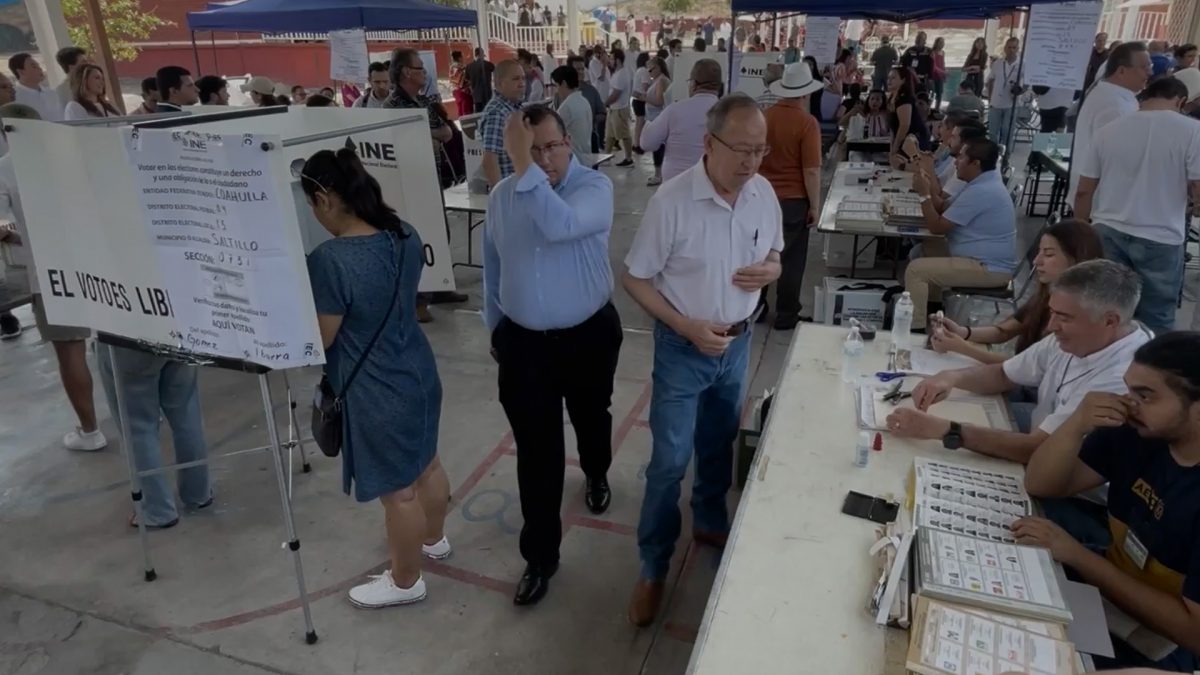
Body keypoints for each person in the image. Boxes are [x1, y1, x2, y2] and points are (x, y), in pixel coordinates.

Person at [624, 94, 783, 627]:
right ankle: (653, 566)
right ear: (710, 144)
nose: (752, 162)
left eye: (760, 150)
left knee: (718, 441)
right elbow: (635, 279)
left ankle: (710, 517)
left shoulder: (762, 193)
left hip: (737, 344)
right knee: (669, 461)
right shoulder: (672, 202)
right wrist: (686, 326)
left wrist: (773, 270)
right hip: (683, 349)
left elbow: (775, 252)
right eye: (742, 149)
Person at [482, 105, 621, 607]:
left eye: (551, 147)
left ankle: (597, 469)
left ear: (569, 143)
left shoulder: (594, 188)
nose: (543, 160)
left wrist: (522, 166)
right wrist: (496, 328)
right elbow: (492, 264)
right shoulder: (501, 197)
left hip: (588, 335)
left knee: (591, 415)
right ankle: (540, 557)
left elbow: (561, 225)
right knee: (537, 453)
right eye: (532, 149)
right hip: (525, 345)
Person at [302, 148, 451, 609]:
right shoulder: (404, 234)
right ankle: (434, 539)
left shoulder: (330, 260)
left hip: (377, 391)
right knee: (427, 465)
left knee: (399, 495)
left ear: (325, 199)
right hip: (419, 371)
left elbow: (324, 337)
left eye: (311, 204)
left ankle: (406, 581)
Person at [1020, 332, 1200, 672]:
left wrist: (1079, 556)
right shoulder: (1138, 431)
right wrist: (1076, 424)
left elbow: (1193, 633)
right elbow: (1040, 483)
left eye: (1145, 396)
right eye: (1128, 389)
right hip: (1106, 584)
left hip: (1161, 641)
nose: (1128, 403)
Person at [888, 260, 1150, 461]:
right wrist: (950, 377)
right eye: (1053, 313)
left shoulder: (1123, 378)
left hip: (1067, 486)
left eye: (1064, 318)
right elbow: (1005, 374)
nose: (1051, 326)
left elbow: (1036, 449)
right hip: (1038, 436)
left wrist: (947, 431)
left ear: (1110, 321)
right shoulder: (1080, 336)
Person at [0, 103, 106, 449]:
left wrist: (20, 239)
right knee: (116, 342)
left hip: (51, 272)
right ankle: (139, 415)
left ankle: (90, 431)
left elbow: (2, 225)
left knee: (70, 351)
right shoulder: (72, 160)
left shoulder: (5, 169)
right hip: (100, 262)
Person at [1075, 76, 1200, 336]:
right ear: (1181, 101)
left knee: (1106, 307)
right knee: (1157, 315)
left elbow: (1084, 190)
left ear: (1146, 97)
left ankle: (1103, 357)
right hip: (1161, 236)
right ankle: (1150, 360)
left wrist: (1080, 229)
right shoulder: (1193, 131)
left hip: (1107, 229)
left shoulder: (1108, 130)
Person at [930, 220, 1105, 365]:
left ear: (1077, 260)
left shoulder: (1080, 318)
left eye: (1049, 254)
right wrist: (962, 332)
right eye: (1039, 252)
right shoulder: (1045, 296)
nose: (1036, 261)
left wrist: (963, 348)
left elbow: (1023, 369)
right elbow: (1003, 332)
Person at [906, 137, 1017, 330]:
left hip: (989, 268)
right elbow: (942, 206)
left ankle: (915, 330)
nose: (955, 162)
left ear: (976, 163)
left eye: (961, 157)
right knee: (928, 246)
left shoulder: (982, 190)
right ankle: (933, 309)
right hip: (980, 258)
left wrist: (924, 195)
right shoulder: (982, 181)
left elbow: (937, 227)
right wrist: (927, 184)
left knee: (916, 270)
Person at [386, 48, 464, 321]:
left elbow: (447, 132)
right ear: (406, 72)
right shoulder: (393, 106)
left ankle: (440, 285)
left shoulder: (425, 102)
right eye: (420, 68)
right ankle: (418, 297)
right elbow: (402, 139)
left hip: (434, 177)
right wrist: (428, 135)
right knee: (416, 239)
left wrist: (427, 134)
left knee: (440, 232)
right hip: (410, 181)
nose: (425, 73)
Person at [758, 62, 823, 330]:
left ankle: (756, 308)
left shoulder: (764, 117)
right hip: (794, 201)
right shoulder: (807, 123)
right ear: (805, 93)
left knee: (760, 254)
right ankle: (786, 315)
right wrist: (815, 206)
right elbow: (811, 170)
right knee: (791, 260)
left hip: (762, 197)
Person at [1068, 41, 1150, 206]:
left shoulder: (1113, 95)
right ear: (1121, 71)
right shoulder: (1114, 106)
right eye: (1144, 67)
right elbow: (1115, 158)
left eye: (1150, 66)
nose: (1150, 72)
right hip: (1102, 201)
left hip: (1101, 198)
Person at [639, 58, 721, 182]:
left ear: (693, 84)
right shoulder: (729, 114)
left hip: (675, 184)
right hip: (712, 184)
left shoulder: (674, 110)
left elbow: (647, 143)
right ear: (719, 86)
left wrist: (649, 123)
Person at [480, 59, 527, 187]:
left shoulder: (514, 108)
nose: (522, 83)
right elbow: (489, 160)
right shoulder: (497, 113)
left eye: (523, 78)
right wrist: (501, 195)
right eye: (515, 79)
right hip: (511, 190)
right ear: (500, 83)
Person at [986, 37, 1025, 149]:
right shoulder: (998, 63)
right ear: (1005, 48)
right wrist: (990, 99)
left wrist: (1020, 90)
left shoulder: (1022, 64)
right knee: (993, 132)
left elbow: (1027, 84)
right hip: (995, 103)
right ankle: (992, 155)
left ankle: (1006, 156)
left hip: (1011, 104)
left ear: (1018, 49)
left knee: (1007, 132)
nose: (1011, 50)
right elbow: (990, 81)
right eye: (1009, 47)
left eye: (1014, 47)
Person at [888, 65, 930, 161]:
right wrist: (892, 147)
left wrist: (895, 147)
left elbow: (904, 125)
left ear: (903, 80)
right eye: (888, 78)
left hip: (914, 140)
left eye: (893, 78)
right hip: (902, 140)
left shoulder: (904, 99)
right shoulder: (891, 99)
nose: (889, 81)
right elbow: (893, 127)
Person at [551, 65, 592, 157]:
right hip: (586, 154)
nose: (556, 91)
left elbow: (552, 132)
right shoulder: (584, 101)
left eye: (556, 85)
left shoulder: (566, 107)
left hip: (573, 157)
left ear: (564, 83)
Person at [568, 55, 607, 151]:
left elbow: (602, 113)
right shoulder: (562, 92)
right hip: (569, 140)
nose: (581, 72)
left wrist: (589, 119)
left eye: (582, 69)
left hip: (589, 137)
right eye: (577, 69)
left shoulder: (591, 91)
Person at [642, 57, 671, 186]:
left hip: (657, 117)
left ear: (658, 68)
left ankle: (658, 174)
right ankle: (659, 173)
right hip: (655, 117)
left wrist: (644, 98)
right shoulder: (659, 80)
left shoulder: (661, 81)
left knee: (658, 147)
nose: (650, 73)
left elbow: (659, 101)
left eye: (651, 70)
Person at [604, 48, 635, 167]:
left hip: (619, 109)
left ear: (617, 60)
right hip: (613, 108)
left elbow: (615, 94)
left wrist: (605, 103)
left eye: (612, 59)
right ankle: (606, 157)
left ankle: (629, 158)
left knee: (624, 134)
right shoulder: (617, 73)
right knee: (610, 135)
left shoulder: (622, 74)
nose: (610, 61)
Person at [9, 53, 61, 121]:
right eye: (34, 66)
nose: (40, 69)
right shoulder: (13, 97)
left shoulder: (51, 93)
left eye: (38, 65)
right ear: (21, 72)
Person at [53, 46, 89, 111]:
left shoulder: (91, 83)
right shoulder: (61, 91)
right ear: (71, 67)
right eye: (84, 62)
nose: (88, 64)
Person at [465, 48, 495, 113]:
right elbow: (496, 72)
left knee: (478, 114)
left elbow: (467, 80)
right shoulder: (488, 64)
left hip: (476, 95)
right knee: (489, 112)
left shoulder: (469, 66)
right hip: (487, 93)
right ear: (481, 54)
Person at [631, 52, 651, 152]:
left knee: (638, 124)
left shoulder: (639, 70)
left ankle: (636, 143)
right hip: (641, 100)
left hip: (636, 100)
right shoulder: (644, 71)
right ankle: (637, 144)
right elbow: (645, 86)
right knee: (640, 124)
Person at [448, 50, 472, 117]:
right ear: (459, 58)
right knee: (466, 111)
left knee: (460, 109)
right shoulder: (462, 67)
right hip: (464, 91)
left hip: (455, 91)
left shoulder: (451, 67)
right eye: (462, 56)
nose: (463, 58)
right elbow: (466, 79)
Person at [930, 37, 947, 110]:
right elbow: (934, 66)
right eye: (940, 42)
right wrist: (943, 72)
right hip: (933, 75)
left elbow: (943, 64)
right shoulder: (933, 52)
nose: (942, 44)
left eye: (943, 42)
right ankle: (929, 108)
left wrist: (944, 75)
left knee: (939, 93)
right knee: (932, 93)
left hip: (940, 76)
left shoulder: (943, 52)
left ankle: (937, 109)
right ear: (936, 43)